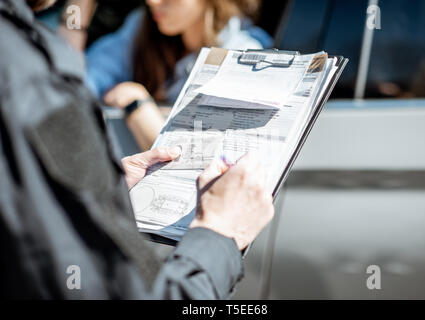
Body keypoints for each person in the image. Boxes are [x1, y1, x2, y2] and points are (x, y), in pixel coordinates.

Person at [0, 0, 274, 299]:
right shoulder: (137, 29)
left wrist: (139, 110)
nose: (153, 1)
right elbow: (82, 82)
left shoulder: (251, 55)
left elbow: (206, 160)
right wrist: (219, 235)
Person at [85, 0, 273, 150]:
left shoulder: (244, 57)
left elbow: (195, 161)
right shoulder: (142, 26)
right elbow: (90, 75)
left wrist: (137, 105)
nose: (152, 2)